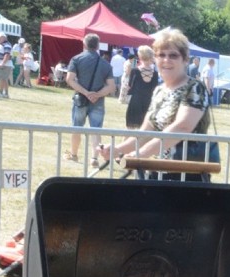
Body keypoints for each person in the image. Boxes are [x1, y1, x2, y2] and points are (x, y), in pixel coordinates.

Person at [99, 28, 216, 182]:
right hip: (157, 172)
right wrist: (117, 150)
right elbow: (145, 133)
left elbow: (183, 127)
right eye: (161, 55)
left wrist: (141, 154)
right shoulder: (159, 91)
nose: (166, 60)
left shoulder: (195, 87)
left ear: (185, 59)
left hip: (187, 175)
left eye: (173, 55)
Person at [65, 33, 115, 166]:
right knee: (96, 130)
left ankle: (74, 154)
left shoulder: (76, 59)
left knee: (77, 128)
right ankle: (94, 158)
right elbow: (111, 86)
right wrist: (97, 94)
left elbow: (69, 79)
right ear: (98, 46)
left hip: (80, 99)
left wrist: (86, 93)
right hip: (98, 102)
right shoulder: (105, 64)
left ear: (84, 44)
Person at [121, 45, 158, 129]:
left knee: (130, 128)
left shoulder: (135, 71)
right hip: (149, 102)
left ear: (140, 56)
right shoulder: (155, 73)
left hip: (135, 101)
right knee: (146, 130)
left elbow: (130, 86)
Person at [0, 32, 13, 98]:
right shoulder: (4, 44)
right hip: (5, 64)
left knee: (2, 79)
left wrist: (2, 64)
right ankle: (5, 94)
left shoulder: (6, 45)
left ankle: (1, 93)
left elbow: (7, 55)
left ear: (4, 37)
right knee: (4, 79)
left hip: (5, 65)